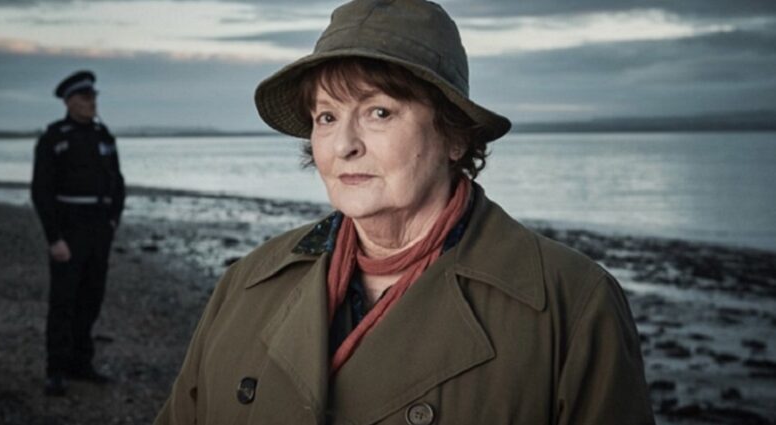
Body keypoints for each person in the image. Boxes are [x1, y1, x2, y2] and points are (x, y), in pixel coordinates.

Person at [155, 0, 654, 423]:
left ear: (454, 134)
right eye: (326, 117)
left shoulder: (571, 304)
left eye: (379, 112)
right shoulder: (246, 283)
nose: (344, 145)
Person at [31, 70, 126, 397]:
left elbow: (118, 183)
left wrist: (113, 222)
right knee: (64, 302)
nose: (92, 103)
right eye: (86, 98)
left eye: (94, 97)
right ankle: (55, 370)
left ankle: (80, 363)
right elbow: (41, 191)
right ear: (70, 101)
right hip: (69, 229)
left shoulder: (104, 136)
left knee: (91, 299)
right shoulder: (54, 138)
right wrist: (54, 238)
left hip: (99, 229)